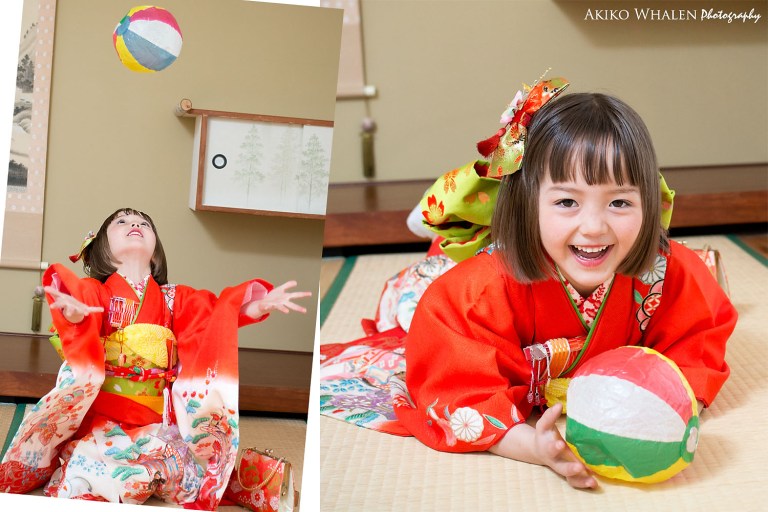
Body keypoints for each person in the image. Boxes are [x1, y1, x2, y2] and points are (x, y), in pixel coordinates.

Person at [388, 78, 737, 489]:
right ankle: (441, 237)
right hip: (447, 287)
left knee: (697, 274)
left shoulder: (668, 272)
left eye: (620, 202)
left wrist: (672, 407)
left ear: (649, 202)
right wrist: (532, 446)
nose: (594, 227)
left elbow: (698, 338)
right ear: (528, 202)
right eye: (567, 202)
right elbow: (457, 387)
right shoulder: (477, 293)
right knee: (407, 301)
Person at [0, 208, 311, 509]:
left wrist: (256, 305)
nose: (135, 224)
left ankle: (243, 479)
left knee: (190, 470)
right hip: (107, 421)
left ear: (156, 250)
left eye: (144, 223)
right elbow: (81, 300)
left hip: (158, 421)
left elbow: (216, 313)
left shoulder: (174, 298)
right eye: (122, 221)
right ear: (103, 250)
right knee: (90, 472)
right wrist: (72, 310)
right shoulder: (99, 292)